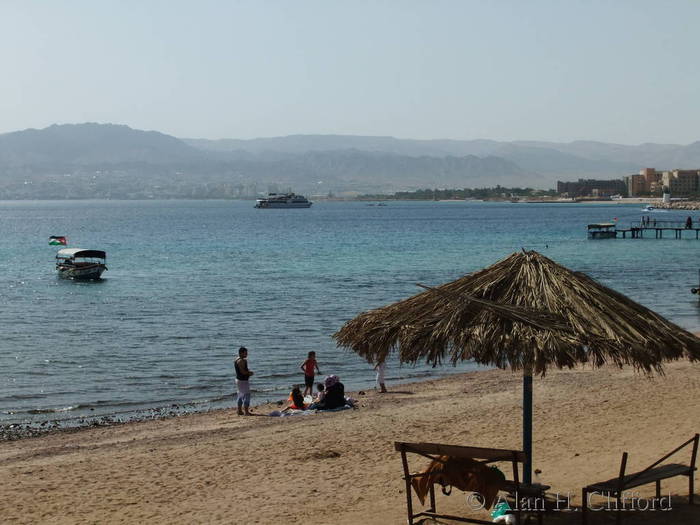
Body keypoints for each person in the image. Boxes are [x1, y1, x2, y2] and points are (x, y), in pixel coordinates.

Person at [234, 347, 254, 416]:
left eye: (247, 353)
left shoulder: (237, 359)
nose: (247, 354)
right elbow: (243, 372)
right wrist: (249, 373)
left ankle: (239, 411)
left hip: (238, 380)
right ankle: (246, 412)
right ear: (241, 353)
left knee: (240, 394)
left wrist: (248, 372)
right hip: (243, 381)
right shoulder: (241, 361)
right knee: (247, 395)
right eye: (245, 353)